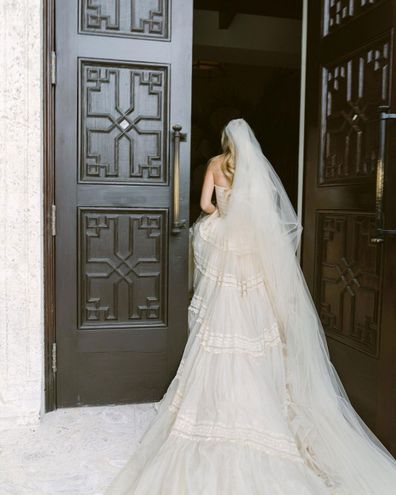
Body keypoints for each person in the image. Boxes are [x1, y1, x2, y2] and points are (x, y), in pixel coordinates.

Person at [104, 118, 396, 494]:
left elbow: (205, 206)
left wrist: (223, 213)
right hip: (247, 244)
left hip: (223, 236)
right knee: (250, 303)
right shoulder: (252, 170)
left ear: (226, 140)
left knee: (216, 306)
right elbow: (265, 214)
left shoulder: (213, 164)